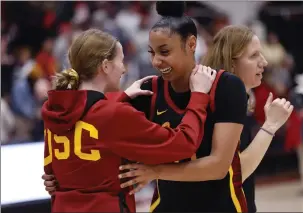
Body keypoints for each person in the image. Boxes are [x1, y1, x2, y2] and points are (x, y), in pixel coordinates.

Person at [43, 2, 293, 213]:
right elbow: (104, 144)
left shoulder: (227, 86)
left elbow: (219, 167)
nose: (155, 61)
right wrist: (62, 178)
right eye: (152, 52)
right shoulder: (146, 91)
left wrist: (154, 171)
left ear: (191, 44)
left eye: (164, 51)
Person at [117, 10, 293, 213]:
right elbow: (234, 170)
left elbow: (226, 169)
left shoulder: (235, 95)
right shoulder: (164, 90)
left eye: (163, 52)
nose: (264, 62)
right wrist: (269, 127)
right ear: (232, 62)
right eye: (254, 56)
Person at [41, 28, 216, 213]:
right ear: (106, 66)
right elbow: (183, 144)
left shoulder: (57, 109)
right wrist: (198, 96)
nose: (124, 68)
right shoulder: (114, 114)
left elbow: (53, 175)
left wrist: (121, 97)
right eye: (121, 60)